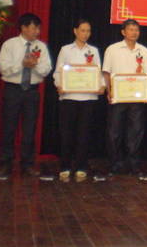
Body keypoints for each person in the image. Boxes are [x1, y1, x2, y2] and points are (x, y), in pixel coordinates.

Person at [0, 13, 52, 180]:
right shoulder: (9, 44)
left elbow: (46, 69)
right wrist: (22, 65)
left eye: (39, 28)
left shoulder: (41, 46)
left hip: (32, 91)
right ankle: (5, 163)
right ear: (24, 28)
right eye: (34, 28)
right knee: (9, 127)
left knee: (30, 129)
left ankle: (27, 164)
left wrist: (35, 65)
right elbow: (3, 67)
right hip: (13, 89)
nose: (37, 31)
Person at [102, 19, 147, 178]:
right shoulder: (113, 49)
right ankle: (115, 164)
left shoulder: (144, 51)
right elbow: (106, 72)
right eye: (130, 29)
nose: (134, 32)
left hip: (137, 98)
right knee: (114, 132)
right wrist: (109, 91)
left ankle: (134, 165)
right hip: (118, 97)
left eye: (136, 30)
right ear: (123, 32)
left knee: (136, 132)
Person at [53, 19, 104, 181]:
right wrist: (59, 85)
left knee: (84, 134)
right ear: (75, 31)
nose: (86, 34)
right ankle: (65, 167)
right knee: (67, 134)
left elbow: (98, 71)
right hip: (69, 97)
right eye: (83, 30)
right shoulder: (66, 50)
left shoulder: (93, 50)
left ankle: (81, 167)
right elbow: (58, 72)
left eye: (88, 31)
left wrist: (101, 85)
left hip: (88, 98)